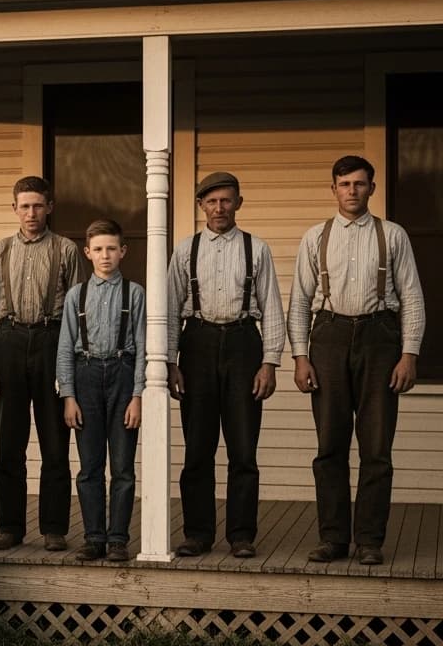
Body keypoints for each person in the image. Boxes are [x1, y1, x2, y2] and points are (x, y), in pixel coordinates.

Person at [288, 155, 425, 566]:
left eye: (360, 184)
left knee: (377, 445)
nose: (352, 191)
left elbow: (413, 297)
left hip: (380, 337)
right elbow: (298, 301)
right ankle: (334, 539)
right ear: (333, 189)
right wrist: (299, 357)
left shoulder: (393, 235)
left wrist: (409, 353)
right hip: (328, 336)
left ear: (372, 189)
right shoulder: (316, 237)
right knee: (330, 444)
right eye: (345, 184)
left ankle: (369, 540)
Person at [167, 172, 285, 558]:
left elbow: (272, 310)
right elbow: (169, 311)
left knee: (243, 448)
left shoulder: (258, 248)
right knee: (198, 447)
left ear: (238, 203)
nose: (219, 208)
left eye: (226, 200)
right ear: (201, 205)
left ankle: (241, 535)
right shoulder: (186, 250)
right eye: (212, 201)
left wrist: (269, 363)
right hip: (197, 343)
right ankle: (198, 533)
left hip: (243, 343)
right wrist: (170, 362)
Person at [0, 176, 83, 553]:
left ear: (49, 207)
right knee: (9, 442)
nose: (31, 213)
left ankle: (54, 527)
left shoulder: (66, 250)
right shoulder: (0, 251)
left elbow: (77, 312)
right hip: (9, 342)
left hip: (53, 342)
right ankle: (9, 526)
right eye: (24, 206)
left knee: (55, 442)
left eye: (38, 205)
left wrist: (72, 365)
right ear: (14, 208)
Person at [57, 219, 145, 564]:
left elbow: (142, 346)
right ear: (87, 253)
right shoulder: (75, 295)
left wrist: (137, 395)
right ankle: (94, 537)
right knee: (89, 465)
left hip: (123, 374)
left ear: (122, 251)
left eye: (112, 249)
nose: (105, 255)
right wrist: (69, 395)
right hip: (86, 375)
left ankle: (118, 539)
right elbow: (65, 347)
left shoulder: (135, 293)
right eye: (98, 249)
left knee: (122, 465)